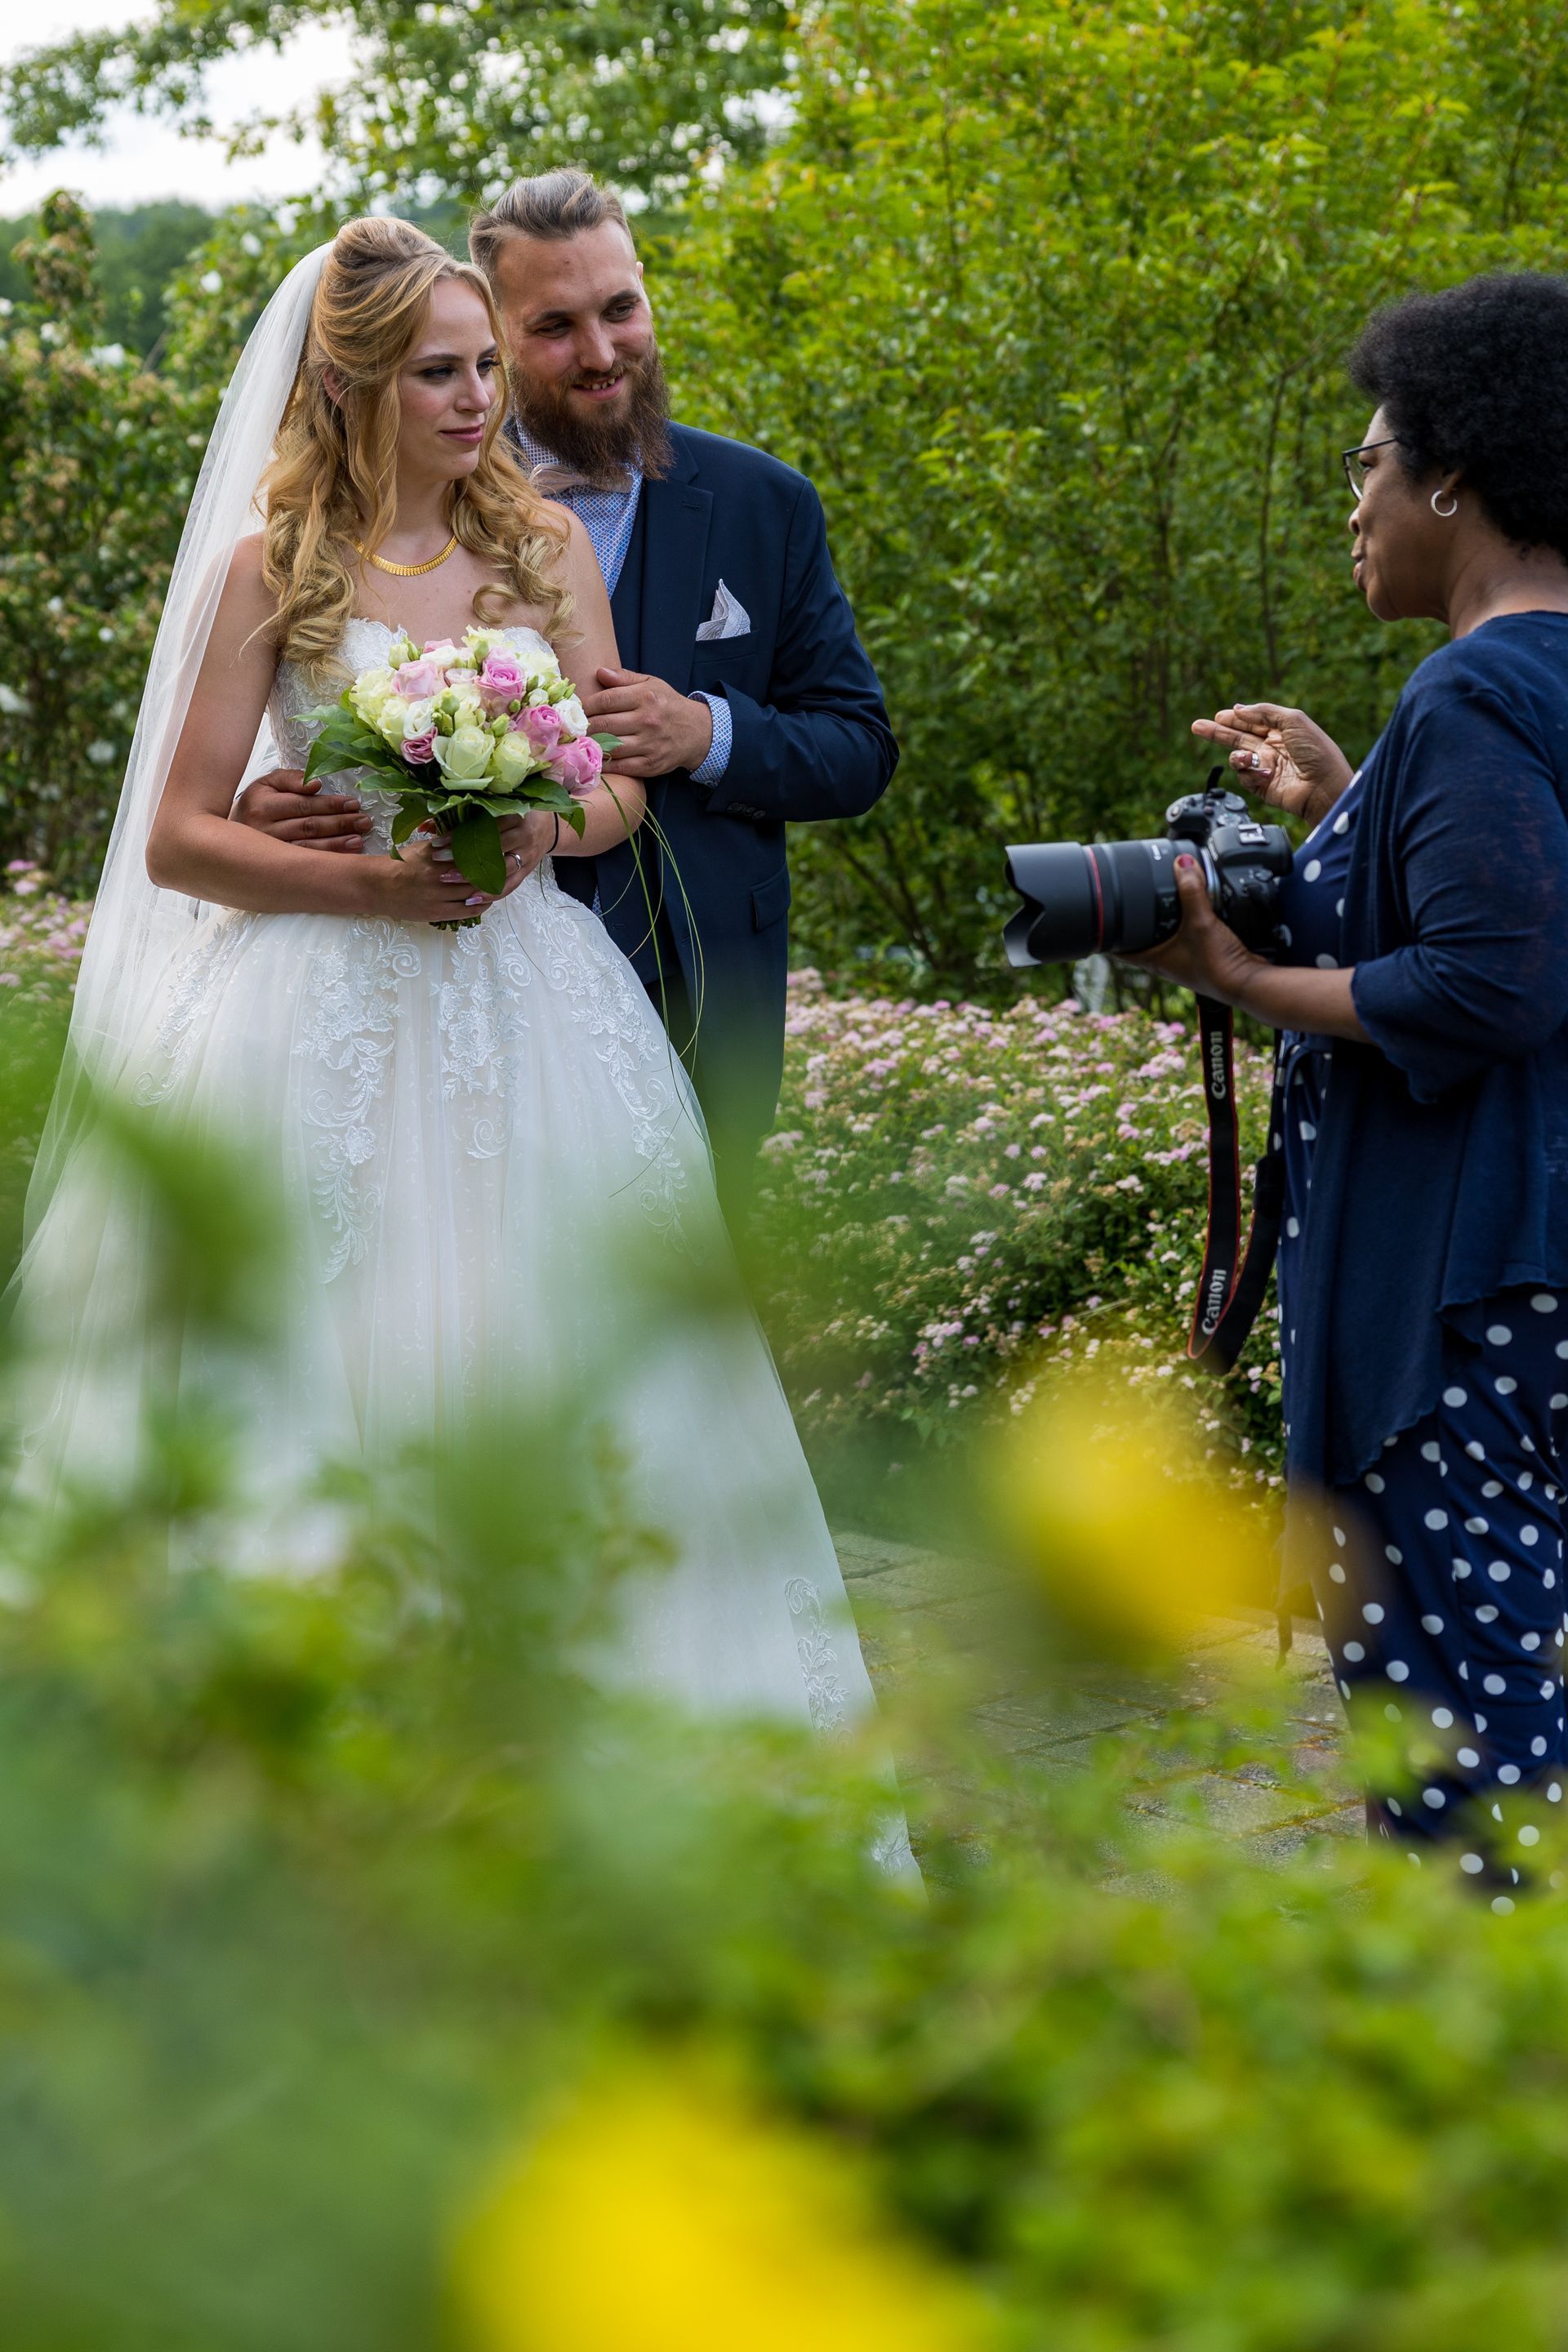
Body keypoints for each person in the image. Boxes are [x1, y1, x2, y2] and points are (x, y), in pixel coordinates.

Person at [4, 217, 912, 1847]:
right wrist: (367, 885)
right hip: (311, 1018)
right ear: (351, 387)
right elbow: (179, 840)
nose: (480, 396)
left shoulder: (543, 548)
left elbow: (617, 788)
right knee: (319, 1360)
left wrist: (541, 829)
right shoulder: (272, 570)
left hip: (535, 1006)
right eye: (440, 371)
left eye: (488, 364)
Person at [234, 170, 898, 1225]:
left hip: (689, 987)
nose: (601, 351)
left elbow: (860, 746)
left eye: (621, 309)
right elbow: (307, 698)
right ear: (491, 327)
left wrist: (706, 733)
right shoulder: (405, 485)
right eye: (553, 327)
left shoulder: (767, 505)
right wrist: (270, 797)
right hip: (413, 994)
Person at [1143, 271, 1568, 1887]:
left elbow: (1490, 982)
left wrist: (1239, 976)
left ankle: (1491, 2005)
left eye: (1368, 461)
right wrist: (1342, 808)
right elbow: (1507, 912)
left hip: (1460, 1298)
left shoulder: (1472, 688)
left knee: (1463, 1721)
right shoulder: (1527, 688)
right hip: (1541, 1262)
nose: (1354, 500)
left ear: (1452, 474)